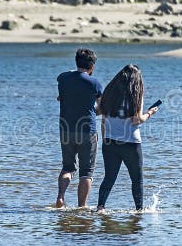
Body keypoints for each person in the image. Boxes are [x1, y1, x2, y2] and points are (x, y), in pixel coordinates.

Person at [97, 64, 159, 213]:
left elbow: (103, 119)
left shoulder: (109, 94)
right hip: (131, 143)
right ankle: (138, 211)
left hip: (110, 142)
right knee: (137, 180)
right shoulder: (136, 95)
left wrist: (105, 139)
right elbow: (137, 120)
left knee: (109, 178)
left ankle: (100, 207)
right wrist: (150, 112)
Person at [55, 48, 104, 209]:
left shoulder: (63, 78)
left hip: (65, 129)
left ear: (76, 62)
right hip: (87, 130)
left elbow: (61, 86)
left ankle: (60, 198)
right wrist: (93, 113)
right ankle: (81, 207)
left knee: (67, 167)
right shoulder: (94, 83)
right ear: (92, 66)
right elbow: (102, 107)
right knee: (86, 172)